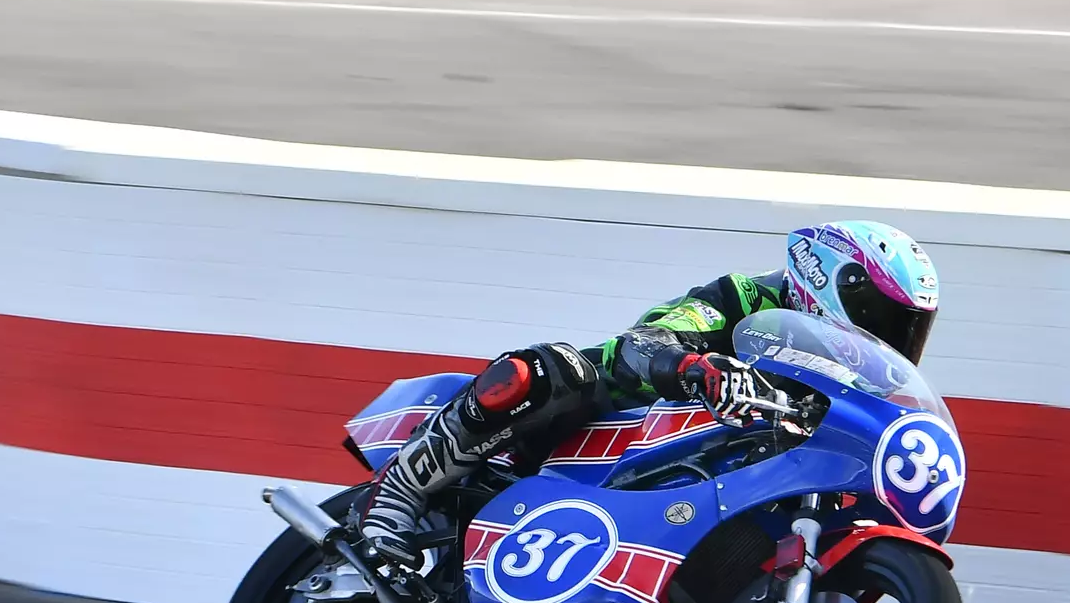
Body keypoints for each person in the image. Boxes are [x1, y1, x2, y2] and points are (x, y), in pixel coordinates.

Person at [357, 220, 942, 568]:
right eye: (881, 315)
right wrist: (700, 366)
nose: (890, 338)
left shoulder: (864, 379)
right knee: (546, 372)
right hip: (620, 419)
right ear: (828, 280)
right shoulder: (745, 296)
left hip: (719, 479)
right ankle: (400, 490)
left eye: (906, 328)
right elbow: (645, 338)